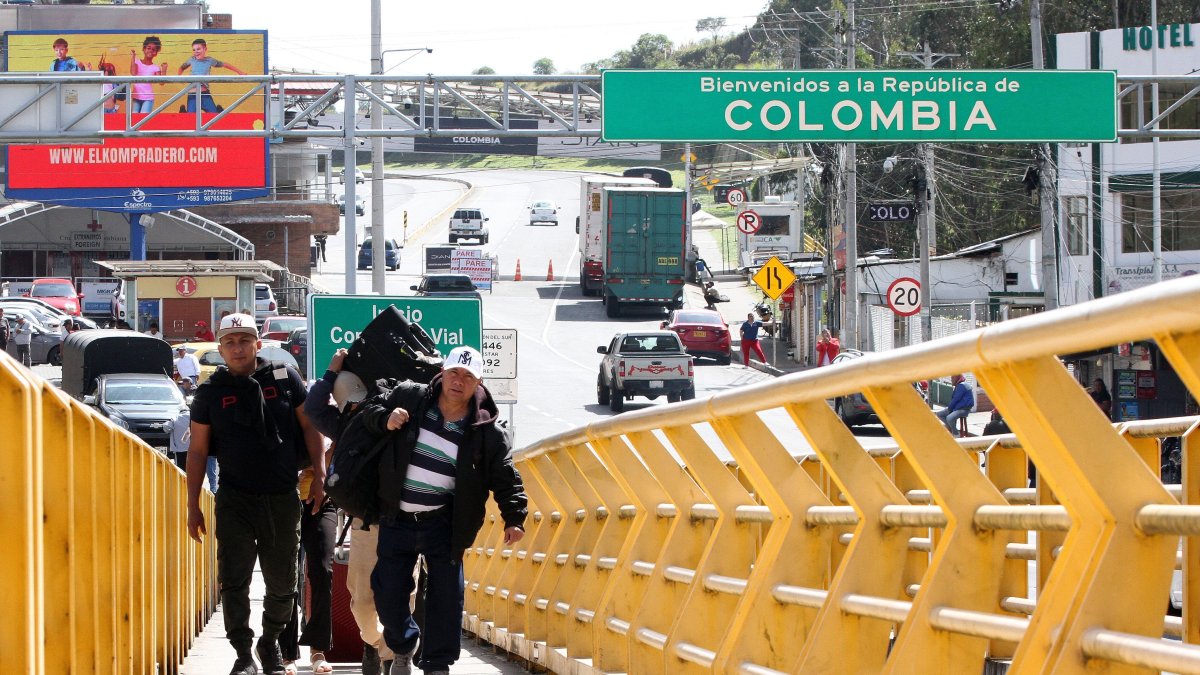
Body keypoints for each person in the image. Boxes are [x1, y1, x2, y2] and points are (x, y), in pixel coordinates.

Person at [358, 346, 527, 675]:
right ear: (442, 373)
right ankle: (404, 644)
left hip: (444, 523)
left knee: (447, 598)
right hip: (397, 518)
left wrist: (514, 517)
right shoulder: (410, 398)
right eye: (453, 373)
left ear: (478, 383)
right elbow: (369, 409)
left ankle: (437, 664)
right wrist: (385, 418)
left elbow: (505, 475)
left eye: (467, 376)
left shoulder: (486, 430)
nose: (458, 381)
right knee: (387, 592)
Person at [185, 313, 326, 675]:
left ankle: (270, 642)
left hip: (281, 496)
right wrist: (192, 505)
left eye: (244, 340)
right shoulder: (211, 392)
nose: (237, 348)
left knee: (283, 583)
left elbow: (311, 429)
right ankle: (244, 653)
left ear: (257, 345)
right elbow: (198, 450)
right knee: (234, 579)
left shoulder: (283, 379)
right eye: (229, 341)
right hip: (235, 498)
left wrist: (321, 475)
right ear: (220, 348)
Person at [303, 350, 393, 674]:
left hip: (402, 522)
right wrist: (330, 373)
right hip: (365, 523)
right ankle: (376, 645)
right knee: (362, 602)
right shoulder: (342, 423)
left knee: (402, 599)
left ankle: (396, 655)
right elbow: (313, 407)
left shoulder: (392, 413)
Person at [177, 38, 246, 113]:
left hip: (205, 93)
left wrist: (240, 72)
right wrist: (179, 77)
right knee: (190, 118)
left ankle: (219, 110)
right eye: (194, 50)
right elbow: (181, 68)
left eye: (198, 49)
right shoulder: (191, 59)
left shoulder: (209, 60)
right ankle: (183, 111)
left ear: (205, 49)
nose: (196, 52)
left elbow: (225, 64)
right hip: (193, 94)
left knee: (213, 116)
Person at [129, 35, 166, 114]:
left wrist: (164, 70)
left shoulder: (155, 67)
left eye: (153, 49)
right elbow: (133, 73)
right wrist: (133, 58)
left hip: (148, 98)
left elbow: (161, 82)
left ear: (156, 53)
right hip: (136, 96)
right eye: (148, 48)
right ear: (144, 49)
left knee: (143, 119)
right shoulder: (137, 62)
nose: (151, 51)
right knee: (134, 118)